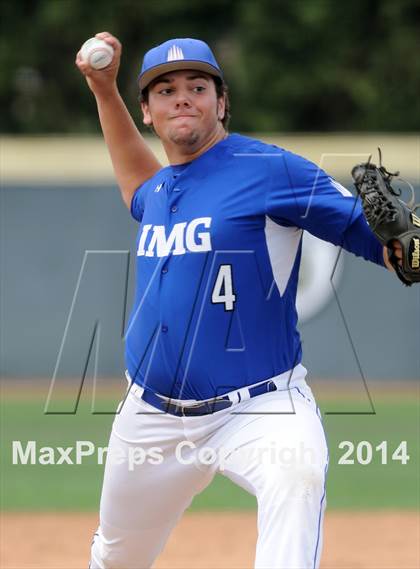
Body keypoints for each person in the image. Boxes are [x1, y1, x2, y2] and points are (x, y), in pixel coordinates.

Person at [76, 32, 399, 569]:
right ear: (149, 113)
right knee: (115, 558)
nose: (182, 97)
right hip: (149, 415)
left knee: (297, 478)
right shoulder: (159, 192)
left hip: (260, 408)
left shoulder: (270, 170)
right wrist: (102, 88)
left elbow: (384, 245)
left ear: (221, 102)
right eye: (166, 90)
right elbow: (136, 183)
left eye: (197, 86)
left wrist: (408, 243)